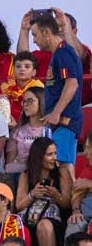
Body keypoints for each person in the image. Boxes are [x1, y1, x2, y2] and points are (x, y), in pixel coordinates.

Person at [31, 11, 84, 167]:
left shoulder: (63, 53)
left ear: (46, 32)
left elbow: (72, 83)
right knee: (60, 166)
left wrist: (56, 112)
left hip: (65, 121)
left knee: (63, 166)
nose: (34, 40)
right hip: (61, 122)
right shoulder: (60, 53)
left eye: (35, 35)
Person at [16, 138, 72, 246]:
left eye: (55, 153)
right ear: (39, 156)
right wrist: (33, 194)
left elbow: (67, 204)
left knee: (44, 225)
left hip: (53, 221)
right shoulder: (26, 175)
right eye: (49, 154)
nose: (54, 158)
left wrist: (56, 195)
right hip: (28, 218)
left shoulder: (62, 172)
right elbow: (19, 205)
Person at [6, 86, 49, 172]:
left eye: (30, 101)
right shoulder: (17, 132)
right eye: (24, 101)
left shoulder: (50, 130)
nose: (25, 104)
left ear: (42, 101)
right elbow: (8, 167)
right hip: (20, 175)